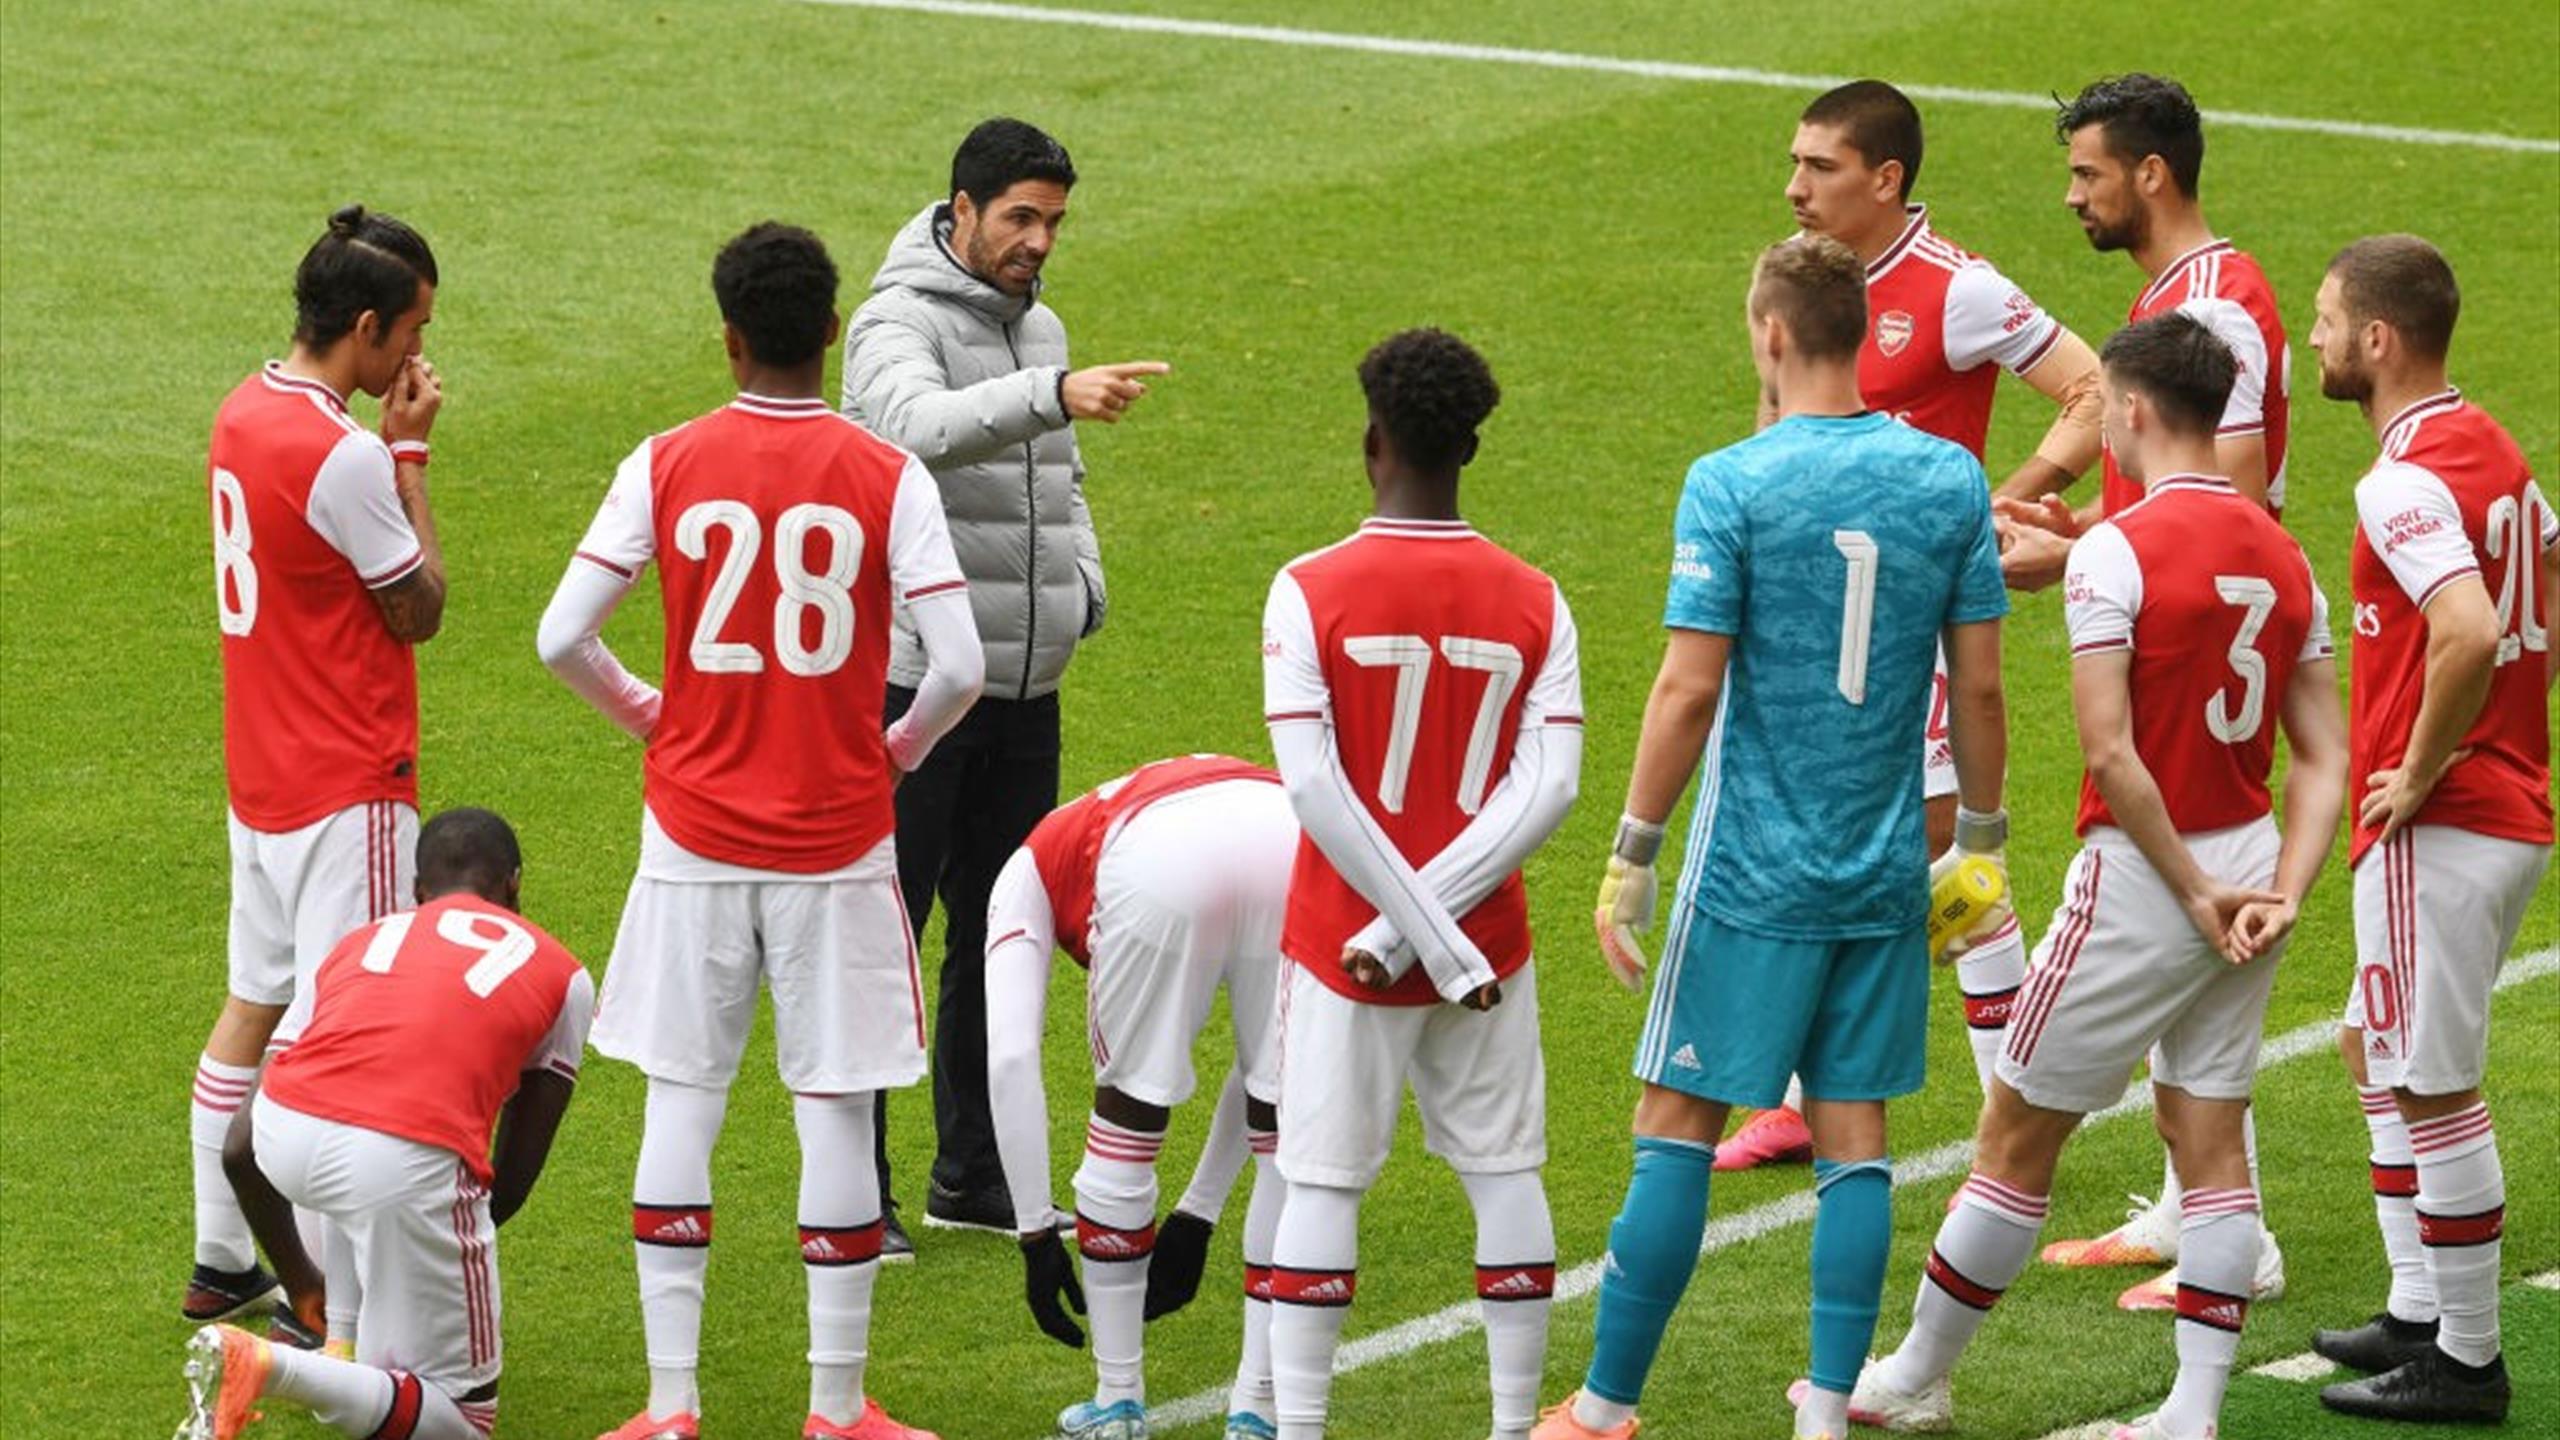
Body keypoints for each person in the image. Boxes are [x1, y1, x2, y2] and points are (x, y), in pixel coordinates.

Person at [1838, 312, 2347, 1440]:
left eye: (2106, 407)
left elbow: (2111, 755)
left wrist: (2192, 892)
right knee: (2209, 1136)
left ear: (2136, 409)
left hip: (2145, 879)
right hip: (2252, 863)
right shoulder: (2283, 554)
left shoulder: (2117, 553)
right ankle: (2191, 1412)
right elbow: (2325, 756)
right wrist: (2283, 889)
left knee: (2014, 1138)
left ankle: (1912, 1379)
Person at [1535, 236, 2007, 1440]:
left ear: (1773, 334)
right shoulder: (1949, 479)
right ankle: (1827, 1409)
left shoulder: (1730, 483)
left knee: (1674, 1125)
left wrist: (1632, 850)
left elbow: (1688, 688)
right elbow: (1980, 686)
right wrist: (1981, 844)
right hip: (1883, 868)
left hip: (1748, 871)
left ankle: (1603, 1406)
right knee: (1855, 1137)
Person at [538, 222, 981, 1440]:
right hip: (837, 842)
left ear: (728, 337)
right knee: (833, 1107)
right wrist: (895, 750)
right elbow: (959, 666)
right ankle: (835, 1408)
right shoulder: (889, 476)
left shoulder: (665, 461)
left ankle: (669, 1404)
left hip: (691, 837)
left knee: (683, 1102)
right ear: (831, 331)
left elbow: (561, 635)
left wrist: (653, 716)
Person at [1714, 78, 2104, 1175]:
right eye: (1793, 163)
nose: (1794, 186)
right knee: (1823, 838)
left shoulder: (1956, 289)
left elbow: (2094, 392)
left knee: (1942, 850)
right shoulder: (1803, 284)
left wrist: (1999, 500)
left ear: (1885, 179)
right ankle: (1802, 1100)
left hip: (1918, 621)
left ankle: (2013, 1115)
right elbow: (1772, 430)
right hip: (1814, 616)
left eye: (1820, 166)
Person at [843, 116, 1171, 1243]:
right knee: (884, 934)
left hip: (1025, 688)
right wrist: (1052, 393)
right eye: (1021, 218)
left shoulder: (1043, 329)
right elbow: (913, 428)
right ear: (962, 211)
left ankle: (970, 1177)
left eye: (1055, 222)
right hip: (914, 688)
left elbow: (1058, 484)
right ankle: (857, 1191)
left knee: (998, 931)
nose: (1040, 241)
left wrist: (1082, 590)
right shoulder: (894, 322)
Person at [1260, 328, 1583, 1440]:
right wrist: (1445, 932)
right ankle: (1510, 1427)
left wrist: (1402, 931)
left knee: (1321, 1182)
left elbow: (1313, 786)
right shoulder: (1537, 598)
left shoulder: (1306, 590)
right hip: (1488, 948)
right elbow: (1549, 788)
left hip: (1340, 944)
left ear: (1372, 442)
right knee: (1505, 1173)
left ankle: (1300, 1429)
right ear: (1471, 448)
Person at [2013, 74, 2295, 1313]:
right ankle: (2196, 1212)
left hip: (2194, 650)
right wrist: (2077, 525)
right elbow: (2166, 493)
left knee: (2178, 895)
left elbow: (2228, 501)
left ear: (2149, 174)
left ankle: (2237, 1233)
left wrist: (2079, 553)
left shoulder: (2214, 307)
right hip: (2179, 627)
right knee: (2192, 931)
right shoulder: (2179, 296)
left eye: (2086, 173)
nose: (2072, 195)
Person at [2303, 236, 2553, 1426]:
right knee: (2372, 1046)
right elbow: (2545, 571)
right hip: (2506, 811)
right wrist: (2509, 722)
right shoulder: (2489, 445)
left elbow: (2464, 627)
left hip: (2442, 823)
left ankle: (2466, 1363)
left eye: (2324, 320)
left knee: (2433, 1088)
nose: (2311, 340)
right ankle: (2415, 1309)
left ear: (2377, 339)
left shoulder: (2399, 481)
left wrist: (2420, 764)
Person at [187, 204, 447, 1336]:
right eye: (414, 329)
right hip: (349, 781)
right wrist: (410, 459)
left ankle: (220, 1255)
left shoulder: (242, 410)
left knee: (255, 1004)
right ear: (365, 326)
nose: (419, 354)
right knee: (346, 1032)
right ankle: (329, 1300)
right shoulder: (342, 453)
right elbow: (419, 606)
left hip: (263, 775)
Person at [177, 808, 590, 1440]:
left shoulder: (357, 943)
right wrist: (425, 1257)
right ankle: (268, 1365)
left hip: (284, 1133)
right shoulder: (563, 973)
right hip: (399, 1159)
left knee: (355, 1177)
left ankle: (341, 1343)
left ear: (417, 890)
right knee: (465, 1417)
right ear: (515, 884)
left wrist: (301, 1281)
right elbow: (508, 1181)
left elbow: (238, 1146)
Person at [983, 754, 1297, 1440]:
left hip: (1158, 860)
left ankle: (1118, 1399)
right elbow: (1261, 1071)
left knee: (1128, 1116)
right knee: (1286, 1123)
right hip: (1290, 832)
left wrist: (1035, 1233)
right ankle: (1261, 1408)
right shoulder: (1112, 806)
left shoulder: (1023, 874)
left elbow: (1010, 1055)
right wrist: (1198, 1212)